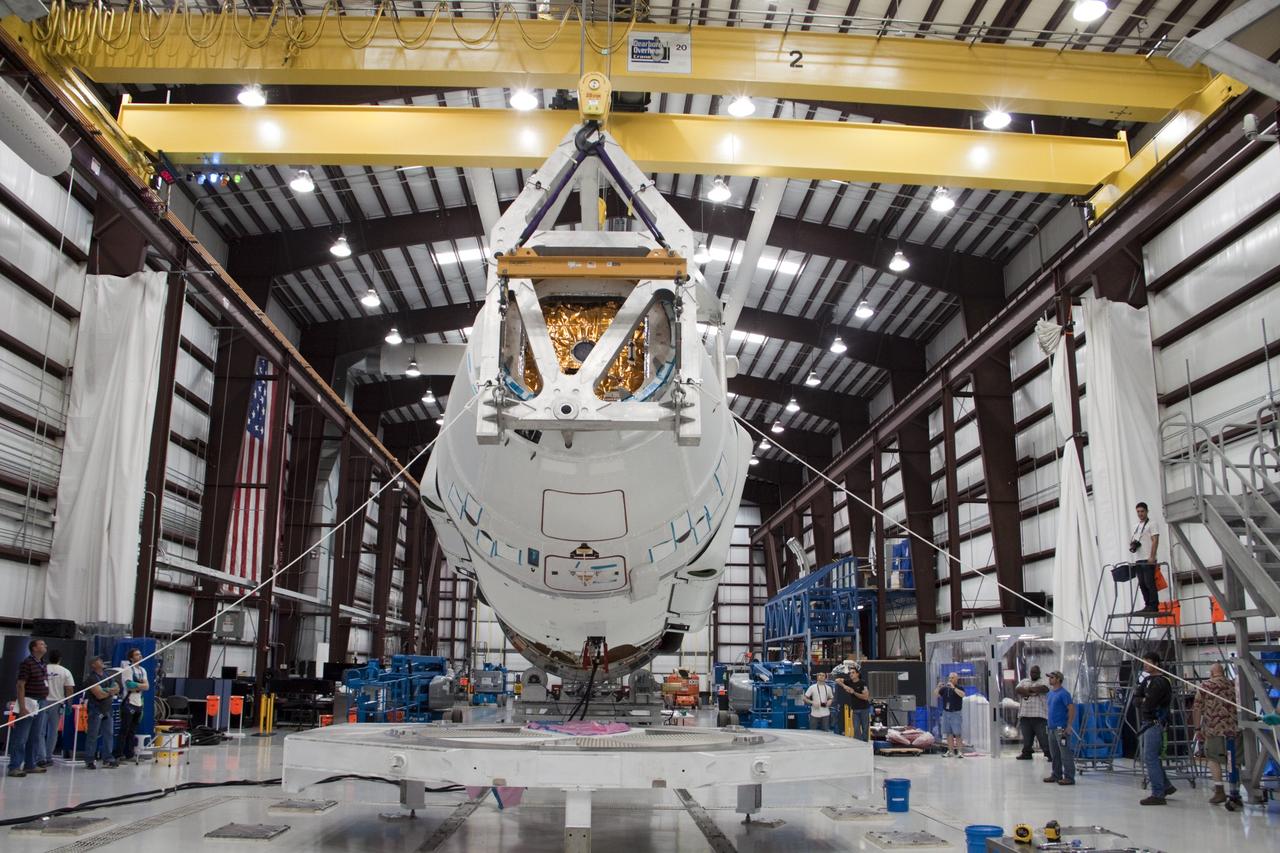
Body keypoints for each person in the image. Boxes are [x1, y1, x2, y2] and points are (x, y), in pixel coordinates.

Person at [1136, 651, 1176, 805]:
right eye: (1144, 662)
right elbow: (1136, 699)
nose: (1145, 665)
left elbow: (1149, 703)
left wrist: (1144, 701)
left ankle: (1158, 793)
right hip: (1147, 722)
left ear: (1156, 663)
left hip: (1155, 723)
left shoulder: (1161, 682)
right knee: (1151, 757)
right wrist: (1143, 700)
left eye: (1148, 662)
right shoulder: (1147, 680)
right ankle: (1165, 786)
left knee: (1150, 757)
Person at [1195, 662, 1237, 805]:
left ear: (1212, 673)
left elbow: (1197, 708)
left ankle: (1219, 790)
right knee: (1235, 760)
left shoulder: (1205, 686)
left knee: (1213, 759)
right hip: (1235, 729)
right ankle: (1235, 791)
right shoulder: (1233, 685)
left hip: (1214, 729)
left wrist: (1197, 728)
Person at [83, 657, 120, 769]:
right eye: (98, 660)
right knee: (93, 735)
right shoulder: (92, 678)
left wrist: (106, 690)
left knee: (109, 734)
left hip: (108, 709)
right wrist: (110, 691)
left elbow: (117, 688)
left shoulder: (107, 675)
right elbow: (99, 695)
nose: (102, 662)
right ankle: (89, 759)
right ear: (93, 665)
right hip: (96, 709)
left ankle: (108, 758)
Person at [1126, 502, 1163, 616]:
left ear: (1147, 511)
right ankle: (1147, 605)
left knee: (1149, 582)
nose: (1140, 514)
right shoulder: (1135, 526)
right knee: (1142, 583)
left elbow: (1155, 540)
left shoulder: (1152, 524)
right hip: (1138, 559)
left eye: (1142, 511)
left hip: (1148, 558)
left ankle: (1154, 605)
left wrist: (1152, 556)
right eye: (1138, 512)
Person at [114, 648, 149, 761]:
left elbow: (147, 686)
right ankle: (118, 754)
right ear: (131, 658)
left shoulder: (143, 670)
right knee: (124, 730)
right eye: (137, 655)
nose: (140, 656)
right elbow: (129, 686)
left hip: (139, 703)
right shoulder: (128, 669)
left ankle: (130, 754)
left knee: (132, 730)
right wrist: (140, 685)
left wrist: (137, 685)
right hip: (129, 702)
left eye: (140, 654)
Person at [1044, 672, 1076, 785]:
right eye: (1049, 677)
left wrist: (1069, 725)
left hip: (1061, 729)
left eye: (1052, 677)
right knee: (1055, 754)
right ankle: (1056, 774)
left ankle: (1069, 777)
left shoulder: (1064, 694)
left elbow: (1071, 708)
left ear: (1058, 679)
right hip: (1051, 728)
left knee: (1065, 753)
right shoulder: (1050, 694)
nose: (1049, 679)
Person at [1015, 665, 1052, 760]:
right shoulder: (1024, 681)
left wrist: (1028, 690)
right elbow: (1018, 689)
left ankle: (1050, 754)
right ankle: (1026, 753)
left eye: (1035, 672)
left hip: (1039, 716)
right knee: (1027, 738)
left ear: (1039, 673)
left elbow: (1044, 688)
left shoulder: (1043, 681)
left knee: (1043, 738)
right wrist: (1033, 691)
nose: (1033, 674)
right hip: (1025, 715)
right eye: (1032, 672)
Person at [44, 649, 75, 762]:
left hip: (42, 702)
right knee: (53, 731)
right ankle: (48, 756)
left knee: (39, 731)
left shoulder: (43, 669)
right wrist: (69, 705)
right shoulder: (65, 671)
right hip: (57, 703)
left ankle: (39, 755)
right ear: (60, 659)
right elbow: (69, 689)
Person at [838, 666, 872, 740]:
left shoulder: (862, 683)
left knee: (865, 728)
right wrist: (845, 686)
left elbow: (865, 697)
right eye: (850, 673)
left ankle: (864, 742)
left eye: (853, 673)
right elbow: (837, 680)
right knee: (856, 728)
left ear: (857, 674)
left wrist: (853, 692)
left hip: (864, 709)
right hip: (855, 709)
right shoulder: (849, 682)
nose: (851, 674)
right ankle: (858, 742)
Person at [937, 672, 965, 758]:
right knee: (948, 733)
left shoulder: (959, 688)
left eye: (952, 678)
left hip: (955, 713)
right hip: (946, 713)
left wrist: (953, 688)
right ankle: (950, 751)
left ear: (956, 679)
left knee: (957, 733)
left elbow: (962, 695)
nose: (950, 679)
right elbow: (936, 695)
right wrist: (938, 687)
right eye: (949, 678)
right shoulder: (945, 689)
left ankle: (960, 752)